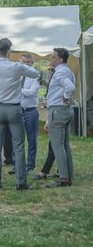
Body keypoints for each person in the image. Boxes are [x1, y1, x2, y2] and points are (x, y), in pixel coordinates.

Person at [0, 38, 40, 191]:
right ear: (9, 51)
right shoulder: (16, 66)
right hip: (14, 109)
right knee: (18, 146)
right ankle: (21, 183)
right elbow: (35, 74)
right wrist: (25, 67)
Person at [44, 47, 75, 188]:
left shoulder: (61, 71)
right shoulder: (67, 70)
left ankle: (64, 178)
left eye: (53, 57)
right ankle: (68, 174)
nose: (51, 59)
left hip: (58, 109)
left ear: (60, 59)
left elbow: (69, 87)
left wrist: (65, 97)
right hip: (65, 110)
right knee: (65, 144)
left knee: (58, 145)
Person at [18, 53, 40, 174]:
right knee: (17, 139)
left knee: (32, 139)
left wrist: (17, 90)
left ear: (31, 63)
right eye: (23, 62)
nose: (26, 65)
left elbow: (32, 92)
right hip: (18, 111)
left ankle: (30, 165)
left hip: (30, 110)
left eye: (28, 62)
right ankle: (17, 164)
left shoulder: (34, 75)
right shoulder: (16, 76)